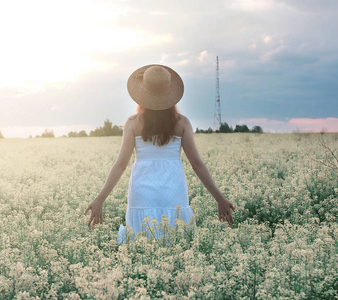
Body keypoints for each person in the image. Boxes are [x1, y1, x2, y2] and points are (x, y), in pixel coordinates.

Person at [84, 64, 236, 243]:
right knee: (176, 245)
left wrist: (100, 199)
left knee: (141, 246)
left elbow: (120, 165)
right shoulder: (182, 123)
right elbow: (197, 165)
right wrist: (220, 198)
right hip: (173, 192)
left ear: (142, 94)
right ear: (170, 94)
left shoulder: (133, 123)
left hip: (142, 193)